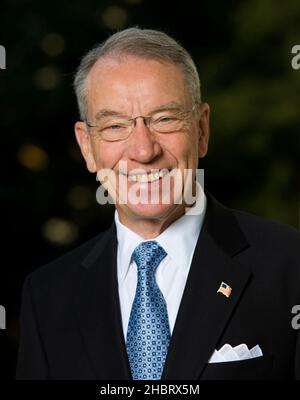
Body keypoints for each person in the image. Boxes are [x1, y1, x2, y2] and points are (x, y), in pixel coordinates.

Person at [16, 27, 300, 380]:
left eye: (165, 119)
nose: (143, 150)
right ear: (87, 146)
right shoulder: (47, 295)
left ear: (201, 129)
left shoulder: (290, 266)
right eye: (115, 126)